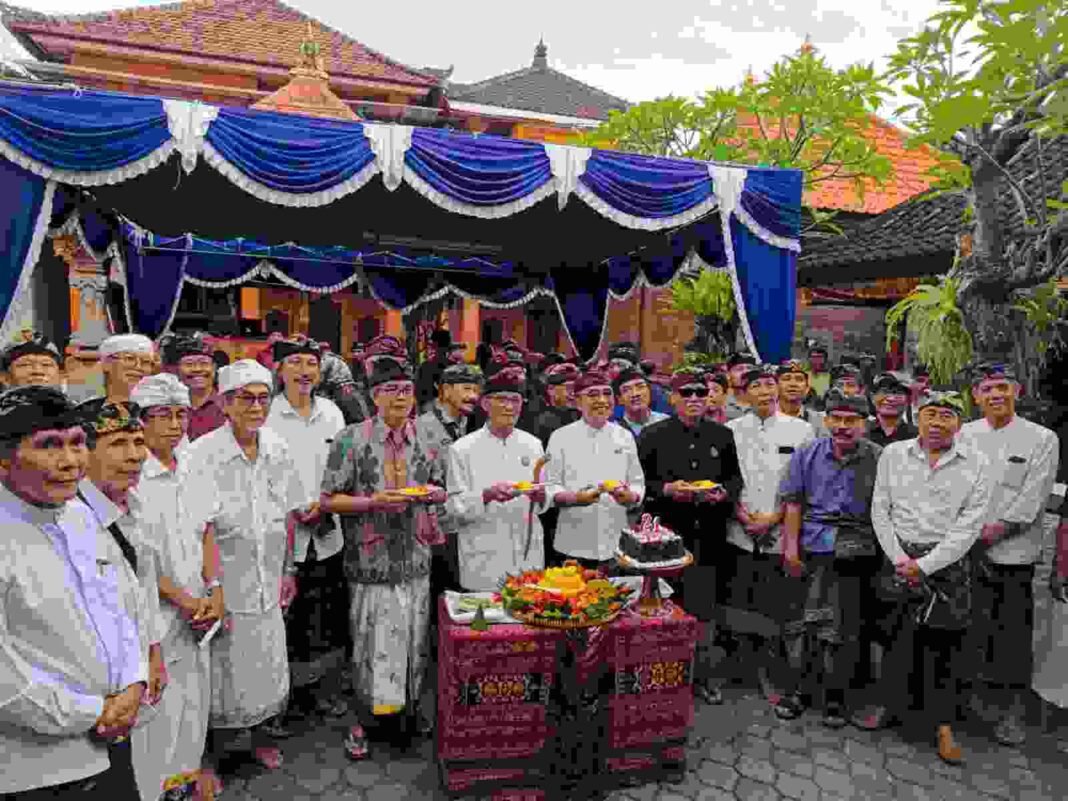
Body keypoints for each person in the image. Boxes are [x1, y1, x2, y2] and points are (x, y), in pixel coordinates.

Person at [0, 387, 147, 798]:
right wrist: (94, 713)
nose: (69, 462)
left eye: (77, 443)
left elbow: (126, 608)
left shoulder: (81, 517)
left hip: (113, 744)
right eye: (49, 446)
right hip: (37, 770)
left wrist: (134, 682)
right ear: (4, 455)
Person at [183, 359, 307, 777]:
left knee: (266, 662)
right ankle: (209, 756)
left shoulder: (277, 447)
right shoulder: (203, 454)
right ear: (224, 402)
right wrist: (212, 583)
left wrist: (289, 569)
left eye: (263, 398)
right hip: (224, 577)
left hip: (268, 574)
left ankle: (260, 738)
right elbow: (200, 527)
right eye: (246, 399)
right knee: (220, 670)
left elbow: (289, 513)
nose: (257, 407)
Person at [319, 357, 445, 760]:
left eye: (407, 390)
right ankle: (365, 721)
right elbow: (329, 500)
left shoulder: (427, 438)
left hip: (416, 557)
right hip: (369, 560)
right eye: (391, 390)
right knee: (371, 643)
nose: (401, 398)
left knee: (413, 640)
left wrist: (433, 496)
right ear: (374, 396)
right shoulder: (350, 439)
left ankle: (405, 715)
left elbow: (440, 488)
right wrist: (372, 502)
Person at [858, 391, 990, 765]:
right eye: (930, 413)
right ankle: (888, 707)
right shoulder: (893, 454)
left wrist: (927, 564)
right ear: (917, 416)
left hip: (947, 564)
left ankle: (943, 726)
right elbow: (880, 509)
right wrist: (900, 558)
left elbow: (969, 525)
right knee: (892, 636)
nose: (936, 422)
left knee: (945, 647)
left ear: (959, 423)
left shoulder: (976, 463)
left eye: (946, 415)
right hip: (897, 558)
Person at [72, 400, 169, 801]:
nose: (133, 455)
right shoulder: (71, 516)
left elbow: (143, 591)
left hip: (132, 675)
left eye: (137, 441)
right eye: (116, 443)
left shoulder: (135, 506)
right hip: (90, 689)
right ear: (84, 450)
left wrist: (153, 652)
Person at [128, 373, 218, 801]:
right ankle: (157, 789)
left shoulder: (192, 464)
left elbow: (207, 531)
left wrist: (214, 588)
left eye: (181, 414)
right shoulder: (133, 475)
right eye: (162, 415)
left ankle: (186, 776)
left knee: (194, 700)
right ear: (140, 420)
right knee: (158, 707)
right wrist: (183, 600)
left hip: (197, 607)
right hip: (158, 612)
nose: (174, 424)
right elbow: (138, 557)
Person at [960, 363, 1059, 746]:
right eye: (988, 388)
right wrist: (966, 537)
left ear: (1016, 391)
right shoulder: (965, 434)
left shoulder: (1041, 438)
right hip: (966, 553)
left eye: (1002, 387)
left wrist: (988, 534)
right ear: (976, 396)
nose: (996, 395)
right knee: (968, 629)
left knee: (1011, 637)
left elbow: (1032, 500)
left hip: (1012, 555)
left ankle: (1010, 713)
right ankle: (966, 703)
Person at [637, 368, 744, 704]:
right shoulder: (652, 435)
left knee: (703, 610)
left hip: (709, 536)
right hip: (666, 535)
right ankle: (660, 676)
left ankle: (701, 677)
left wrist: (721, 494)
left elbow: (734, 480)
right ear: (672, 398)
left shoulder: (722, 436)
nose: (695, 399)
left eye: (701, 393)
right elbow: (639, 484)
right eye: (687, 393)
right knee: (664, 606)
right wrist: (667, 489)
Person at [779, 390, 884, 728]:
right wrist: (790, 549)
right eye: (835, 419)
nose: (842, 426)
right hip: (813, 545)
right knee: (806, 624)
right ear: (825, 420)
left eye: (850, 420)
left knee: (846, 628)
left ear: (864, 424)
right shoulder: (808, 453)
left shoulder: (880, 458)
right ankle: (798, 691)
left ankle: (836, 697)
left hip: (858, 550)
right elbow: (793, 503)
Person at [262, 337, 349, 727]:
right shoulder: (265, 414)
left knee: (326, 613)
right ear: (279, 370)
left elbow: (344, 466)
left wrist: (326, 501)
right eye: (294, 362)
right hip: (280, 534)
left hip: (328, 529)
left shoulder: (332, 412)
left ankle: (322, 692)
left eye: (311, 363)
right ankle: (280, 699)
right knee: (285, 620)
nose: (303, 371)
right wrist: (293, 506)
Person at [724, 364, 815, 711]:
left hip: (780, 531)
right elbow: (728, 478)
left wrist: (775, 518)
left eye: (768, 384)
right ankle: (742, 667)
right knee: (741, 599)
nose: (764, 392)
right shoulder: (731, 430)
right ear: (743, 394)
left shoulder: (802, 430)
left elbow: (803, 485)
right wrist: (740, 513)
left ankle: (774, 672)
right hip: (740, 528)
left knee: (778, 604)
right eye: (755, 387)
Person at [446, 366, 549, 589]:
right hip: (483, 554)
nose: (509, 406)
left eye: (515, 400)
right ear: (485, 404)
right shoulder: (462, 449)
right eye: (501, 399)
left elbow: (544, 497)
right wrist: (486, 495)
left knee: (528, 613)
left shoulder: (533, 444)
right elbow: (453, 506)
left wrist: (542, 495)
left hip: (526, 550)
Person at [545, 368, 644, 570]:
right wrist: (574, 498)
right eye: (592, 394)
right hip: (573, 544)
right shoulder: (560, 437)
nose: (601, 400)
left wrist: (631, 497)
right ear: (577, 401)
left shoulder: (624, 436)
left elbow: (637, 482)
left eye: (607, 394)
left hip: (616, 543)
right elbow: (550, 486)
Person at [418, 363, 483, 601]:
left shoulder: (477, 424)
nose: (474, 397)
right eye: (466, 389)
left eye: (476, 390)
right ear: (445, 390)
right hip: (439, 529)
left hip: (472, 523)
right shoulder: (421, 428)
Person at [161, 332, 226, 443]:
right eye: (189, 364)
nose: (197, 369)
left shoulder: (228, 405)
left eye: (204, 363)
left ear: (214, 368)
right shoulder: (163, 404)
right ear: (177, 369)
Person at [78, 334, 156, 418]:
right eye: (129, 359)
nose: (138, 367)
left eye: (146, 362)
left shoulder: (158, 411)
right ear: (106, 364)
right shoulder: (84, 412)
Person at [530, 362, 580, 447]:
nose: (574, 393)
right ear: (551, 389)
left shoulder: (585, 415)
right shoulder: (536, 421)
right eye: (568, 388)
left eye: (577, 387)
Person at [613, 364, 668, 438]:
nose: (635, 394)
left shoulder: (666, 422)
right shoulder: (614, 430)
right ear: (619, 399)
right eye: (627, 390)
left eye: (640, 387)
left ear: (649, 391)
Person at [867, 372, 917, 447]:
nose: (891, 398)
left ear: (909, 400)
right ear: (872, 398)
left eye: (898, 393)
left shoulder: (918, 436)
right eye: (885, 392)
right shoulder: (861, 432)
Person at [777, 359, 822, 427]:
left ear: (807, 388)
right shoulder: (762, 417)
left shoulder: (818, 421)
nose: (793, 384)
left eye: (799, 379)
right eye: (786, 379)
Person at [724, 352, 757, 421]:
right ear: (728, 375)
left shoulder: (766, 401)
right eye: (739, 369)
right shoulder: (720, 404)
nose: (745, 372)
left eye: (749, 368)